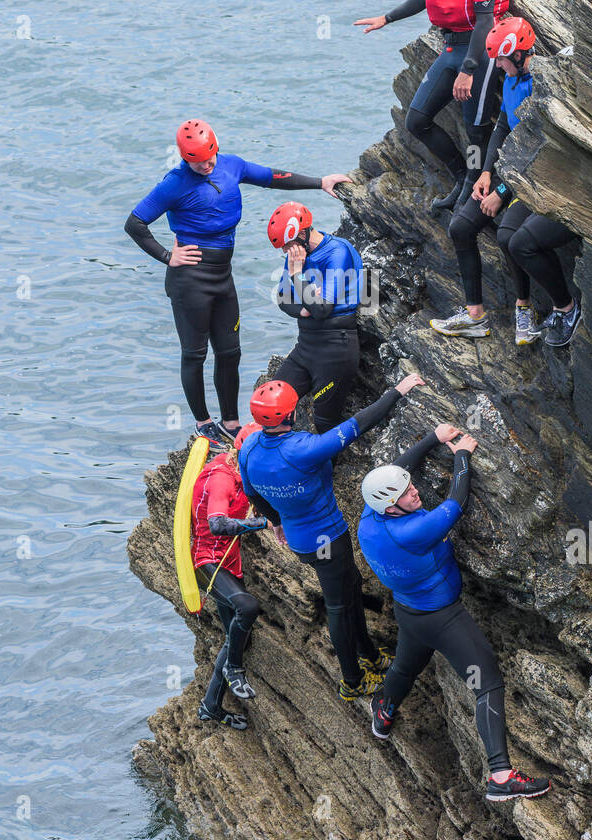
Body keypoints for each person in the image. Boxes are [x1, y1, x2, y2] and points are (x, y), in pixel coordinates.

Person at [125, 119, 352, 448]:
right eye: (198, 161)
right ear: (185, 158)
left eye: (210, 156)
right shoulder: (174, 183)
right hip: (190, 280)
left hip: (222, 277)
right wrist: (166, 255)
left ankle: (230, 422)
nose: (206, 164)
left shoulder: (231, 166)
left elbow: (273, 177)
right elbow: (135, 223)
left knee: (230, 352)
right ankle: (204, 423)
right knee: (195, 353)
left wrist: (320, 182)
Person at [357, 427, 551, 802]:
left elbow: (396, 469)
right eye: (406, 494)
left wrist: (432, 437)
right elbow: (456, 501)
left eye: (410, 487)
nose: (414, 492)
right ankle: (500, 775)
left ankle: (384, 711)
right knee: (488, 683)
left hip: (410, 614)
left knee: (405, 668)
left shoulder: (372, 516)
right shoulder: (415, 530)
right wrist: (461, 454)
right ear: (393, 507)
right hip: (444, 619)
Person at [238, 372, 425, 699]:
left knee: (351, 587)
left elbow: (252, 494)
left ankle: (369, 654)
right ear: (290, 415)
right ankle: (352, 681)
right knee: (339, 605)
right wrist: (398, 390)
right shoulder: (303, 448)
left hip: (298, 539)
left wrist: (276, 521)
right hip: (327, 540)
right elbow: (357, 424)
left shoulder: (250, 448)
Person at [430, 18, 582, 347]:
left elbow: (538, 153)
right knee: (460, 228)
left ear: (516, 55)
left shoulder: (538, 85)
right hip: (510, 170)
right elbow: (502, 127)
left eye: (500, 58)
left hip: (533, 177)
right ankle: (475, 316)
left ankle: (527, 311)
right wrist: (486, 172)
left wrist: (501, 192)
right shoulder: (511, 81)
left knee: (509, 236)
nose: (496, 66)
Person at [354, 0, 508, 212]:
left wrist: (468, 70)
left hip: (479, 49)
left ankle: (476, 187)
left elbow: (485, 21)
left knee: (476, 128)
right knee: (417, 120)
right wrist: (387, 17)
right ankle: (463, 177)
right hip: (451, 44)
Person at [194, 423, 269, 731]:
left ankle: (210, 707)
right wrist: (260, 523)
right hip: (208, 561)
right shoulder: (222, 478)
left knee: (236, 636)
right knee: (248, 608)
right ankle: (234, 671)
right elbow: (217, 524)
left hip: (229, 562)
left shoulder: (239, 466)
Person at [268, 201, 364, 433]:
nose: (284, 251)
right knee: (271, 404)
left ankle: (326, 467)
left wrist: (297, 275)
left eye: (285, 244)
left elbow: (322, 310)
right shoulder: (296, 254)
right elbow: (282, 299)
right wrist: (304, 308)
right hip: (306, 346)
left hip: (336, 347)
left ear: (301, 233)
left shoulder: (337, 252)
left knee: (324, 424)